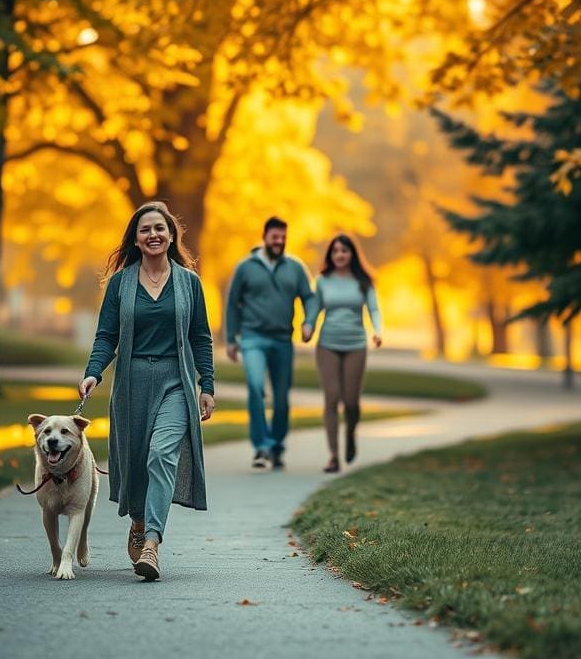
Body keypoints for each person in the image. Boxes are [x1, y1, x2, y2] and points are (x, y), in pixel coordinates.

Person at [78, 201, 215, 581]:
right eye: (145, 230)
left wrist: (207, 385)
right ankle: (138, 521)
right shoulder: (122, 284)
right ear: (135, 240)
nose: (153, 235)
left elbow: (200, 337)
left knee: (161, 454)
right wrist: (93, 373)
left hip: (175, 380)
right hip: (132, 382)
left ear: (171, 235)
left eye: (159, 228)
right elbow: (106, 336)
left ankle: (152, 543)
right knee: (138, 459)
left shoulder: (189, 282)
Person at [224, 216, 317, 470]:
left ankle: (276, 446)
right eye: (275, 237)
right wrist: (231, 338)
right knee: (255, 386)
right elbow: (232, 304)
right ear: (265, 236)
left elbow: (310, 298)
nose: (280, 241)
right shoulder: (246, 267)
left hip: (283, 339)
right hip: (253, 337)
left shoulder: (295, 268)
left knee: (282, 397)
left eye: (284, 237)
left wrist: (309, 322)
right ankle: (261, 447)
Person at [302, 234, 383, 473]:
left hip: (356, 345)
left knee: (351, 402)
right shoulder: (323, 281)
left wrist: (378, 332)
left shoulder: (363, 281)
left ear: (352, 255)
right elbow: (314, 309)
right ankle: (333, 456)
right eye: (336, 251)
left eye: (344, 251)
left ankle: (350, 434)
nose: (340, 255)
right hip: (328, 344)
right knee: (331, 399)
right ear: (331, 255)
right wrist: (308, 326)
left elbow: (375, 309)